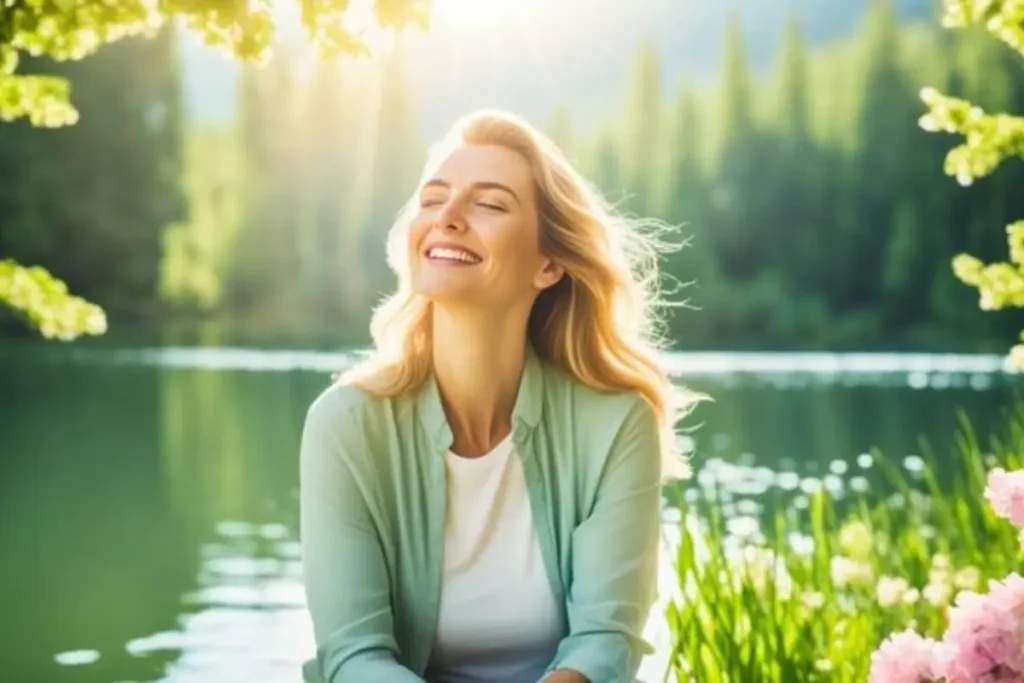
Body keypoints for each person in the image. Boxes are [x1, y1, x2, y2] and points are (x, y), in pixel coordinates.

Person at [299, 109, 701, 683]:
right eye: (433, 199)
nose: (448, 218)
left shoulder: (615, 423)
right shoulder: (345, 424)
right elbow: (354, 658)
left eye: (488, 204)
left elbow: (604, 644)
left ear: (548, 264)